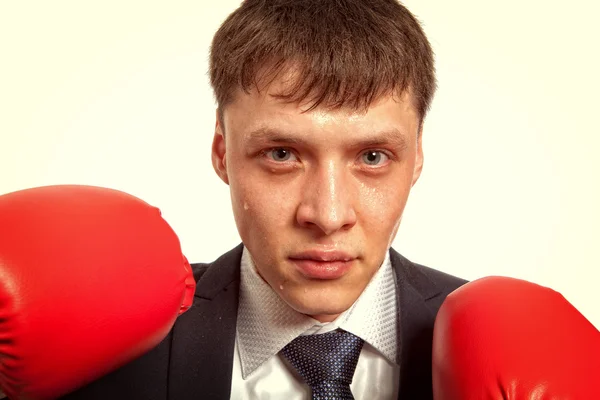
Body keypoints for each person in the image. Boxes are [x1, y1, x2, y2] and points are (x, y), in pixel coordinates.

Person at [63, 0, 467, 398]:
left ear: (417, 160)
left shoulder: (490, 337)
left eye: (372, 157)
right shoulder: (113, 354)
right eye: (281, 154)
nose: (327, 216)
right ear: (223, 154)